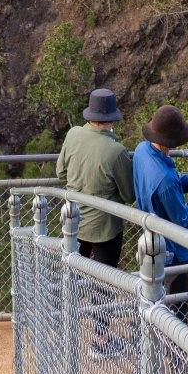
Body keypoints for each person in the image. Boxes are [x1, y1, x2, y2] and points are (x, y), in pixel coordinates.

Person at [132, 104, 188, 319]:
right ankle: (175, 337)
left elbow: (172, 183)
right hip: (172, 252)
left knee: (153, 297)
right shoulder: (165, 180)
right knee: (177, 307)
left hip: (150, 237)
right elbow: (183, 219)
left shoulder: (143, 150)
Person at [55, 86, 136, 267]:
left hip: (73, 220)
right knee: (104, 280)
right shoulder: (116, 151)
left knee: (72, 275)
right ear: (112, 118)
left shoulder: (73, 134)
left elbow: (61, 173)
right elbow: (129, 195)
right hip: (105, 228)